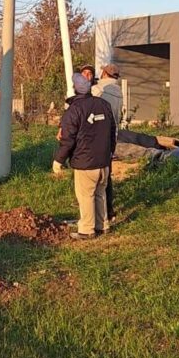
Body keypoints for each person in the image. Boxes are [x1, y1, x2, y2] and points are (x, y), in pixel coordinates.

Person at [52, 72, 116, 240]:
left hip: (85, 163)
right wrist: (110, 152)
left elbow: (68, 139)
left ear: (75, 90)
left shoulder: (74, 110)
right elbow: (112, 132)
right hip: (104, 161)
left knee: (86, 195)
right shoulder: (104, 105)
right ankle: (103, 225)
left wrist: (59, 160)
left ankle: (87, 229)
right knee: (100, 193)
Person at [91, 64, 123, 223]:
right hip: (112, 135)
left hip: (97, 135)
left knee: (93, 173)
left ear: (104, 73)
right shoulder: (119, 92)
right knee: (106, 173)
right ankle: (109, 211)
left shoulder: (98, 90)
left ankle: (96, 212)